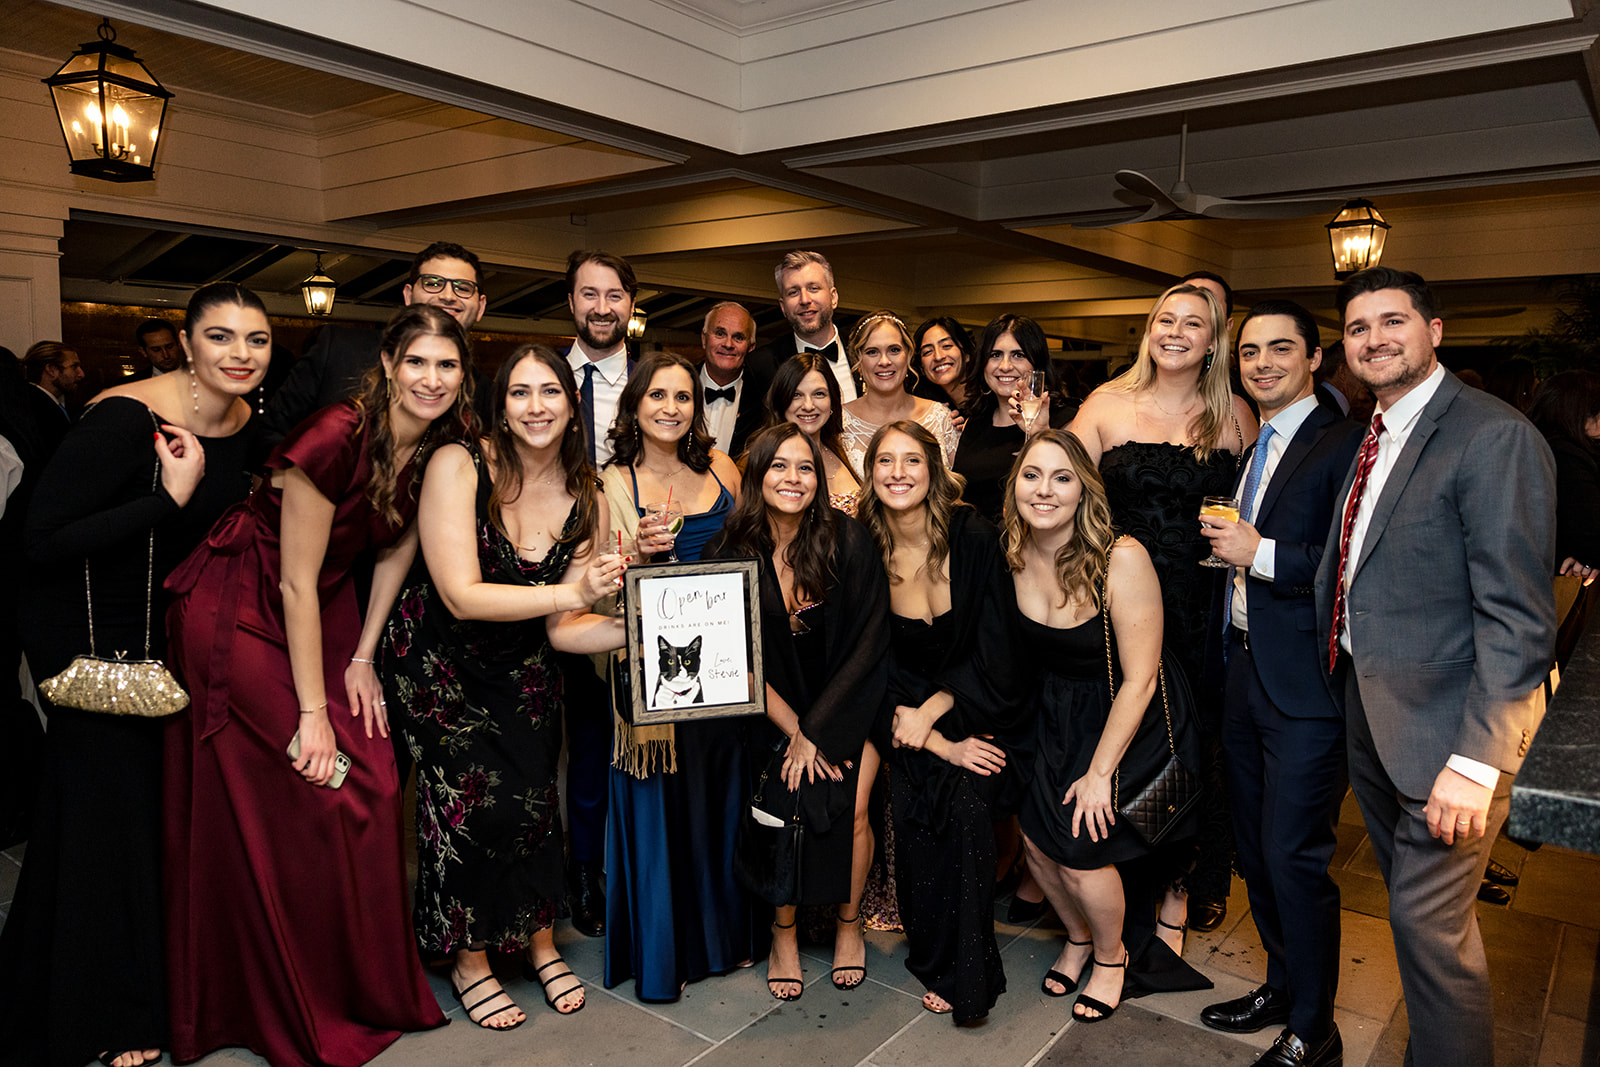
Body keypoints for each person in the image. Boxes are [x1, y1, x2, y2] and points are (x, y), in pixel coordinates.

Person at [162, 303, 476, 1067]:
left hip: (329, 603)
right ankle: (280, 992)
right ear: (390, 364)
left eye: (448, 365)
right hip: (241, 604)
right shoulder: (338, 431)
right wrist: (313, 711)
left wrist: (364, 654)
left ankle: (357, 981)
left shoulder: (441, 442)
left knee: (372, 774)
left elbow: (397, 547)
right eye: (418, 362)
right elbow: (294, 581)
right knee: (319, 777)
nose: (432, 379)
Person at [0, 284, 267, 1067]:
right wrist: (165, 499)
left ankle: (152, 994)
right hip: (103, 654)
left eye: (254, 340)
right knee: (101, 832)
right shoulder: (123, 418)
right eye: (220, 337)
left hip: (178, 649)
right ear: (186, 344)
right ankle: (103, 1016)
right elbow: (41, 541)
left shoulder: (249, 426)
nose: (239, 354)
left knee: (157, 829)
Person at [1314, 267, 1556, 1067]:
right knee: (1424, 928)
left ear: (1435, 331)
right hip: (1375, 713)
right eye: (1358, 328)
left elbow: (1517, 618)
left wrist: (1478, 761)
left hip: (1449, 737)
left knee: (1431, 933)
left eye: (1393, 321)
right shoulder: (1374, 429)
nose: (1375, 339)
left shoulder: (1492, 436)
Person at [380, 344, 627, 1029]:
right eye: (520, 393)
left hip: (524, 660)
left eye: (550, 391)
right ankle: (470, 956)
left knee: (533, 801)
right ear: (500, 404)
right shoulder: (460, 462)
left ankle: (539, 937)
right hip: (438, 659)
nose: (536, 406)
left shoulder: (589, 492)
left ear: (571, 405)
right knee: (468, 808)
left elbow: (563, 629)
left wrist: (637, 633)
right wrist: (573, 588)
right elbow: (459, 594)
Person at [1195, 301, 1364, 1067]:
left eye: (1280, 349)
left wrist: (1257, 550)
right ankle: (1280, 985)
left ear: (1316, 357)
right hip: (1243, 671)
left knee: (1295, 853)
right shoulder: (1252, 443)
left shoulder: (1342, 445)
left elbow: (1345, 565)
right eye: (1250, 351)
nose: (1261, 362)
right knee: (1257, 852)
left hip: (1305, 687)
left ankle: (1316, 1025)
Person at [1069, 283, 1256, 940]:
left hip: (1201, 605)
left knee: (1194, 741)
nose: (1175, 331)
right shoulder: (1107, 404)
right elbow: (1058, 487)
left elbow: (1253, 509)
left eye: (1193, 323)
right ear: (1149, 330)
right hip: (1119, 598)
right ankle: (1120, 872)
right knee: (1126, 728)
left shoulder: (1235, 413)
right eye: (1164, 320)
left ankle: (1182, 883)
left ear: (1214, 340)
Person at [705, 423, 889, 1002]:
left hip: (851, 702)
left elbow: (868, 643)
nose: (793, 478)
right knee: (782, 806)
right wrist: (795, 735)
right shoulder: (728, 552)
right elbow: (735, 660)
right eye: (779, 467)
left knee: (854, 805)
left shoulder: (849, 540)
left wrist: (819, 731)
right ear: (756, 475)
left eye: (805, 468)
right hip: (768, 712)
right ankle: (782, 935)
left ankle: (848, 925)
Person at [1007, 429, 1183, 1024]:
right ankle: (1078, 937)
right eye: (1032, 475)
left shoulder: (1120, 557)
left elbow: (1141, 679)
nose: (1045, 490)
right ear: (1014, 486)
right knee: (1033, 840)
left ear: (1084, 488)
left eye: (1062, 477)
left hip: (1123, 713)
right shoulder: (1011, 550)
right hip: (1051, 712)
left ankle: (1111, 958)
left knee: (1081, 848)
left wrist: (1100, 772)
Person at [593, 350, 751, 1000]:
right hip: (651, 673)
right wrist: (638, 558)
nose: (670, 407)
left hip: (722, 667)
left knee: (719, 805)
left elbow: (754, 549)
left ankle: (727, 939)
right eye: (657, 395)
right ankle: (672, 949)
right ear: (635, 405)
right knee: (667, 809)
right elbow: (598, 586)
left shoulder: (721, 467)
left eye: (683, 396)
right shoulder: (611, 483)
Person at [858, 420, 1027, 1022]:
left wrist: (941, 718)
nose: (898, 472)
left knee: (967, 800)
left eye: (911, 460)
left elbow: (998, 649)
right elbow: (863, 661)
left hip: (980, 701)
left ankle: (968, 967)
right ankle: (931, 952)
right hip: (900, 712)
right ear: (869, 472)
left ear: (934, 470)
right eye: (885, 461)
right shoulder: (863, 547)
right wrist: (925, 734)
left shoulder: (972, 534)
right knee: (913, 801)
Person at [562, 247, 641, 937]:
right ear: (572, 303)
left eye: (614, 294)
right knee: (563, 743)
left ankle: (619, 871)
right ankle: (579, 869)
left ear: (630, 304)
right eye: (590, 294)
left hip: (624, 581)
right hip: (544, 578)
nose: (602, 307)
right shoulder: (539, 381)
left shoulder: (654, 385)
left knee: (610, 736)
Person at [262, 240, 491, 449]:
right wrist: (303, 484)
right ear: (408, 296)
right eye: (433, 283)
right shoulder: (339, 349)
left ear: (480, 307)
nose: (448, 295)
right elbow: (269, 433)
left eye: (463, 287)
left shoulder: (487, 393)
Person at [952, 314, 1076, 524]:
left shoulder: (1064, 422)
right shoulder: (974, 422)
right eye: (995, 355)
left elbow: (1068, 492)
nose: (1005, 366)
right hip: (975, 545)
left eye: (1018, 355)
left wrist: (1040, 432)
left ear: (1037, 363)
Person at [839, 310, 961, 478]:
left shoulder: (941, 418)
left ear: (908, 355)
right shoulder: (838, 423)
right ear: (858, 359)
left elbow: (956, 490)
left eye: (894, 350)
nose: (884, 361)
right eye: (872, 352)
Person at [744, 250, 859, 409]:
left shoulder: (864, 350)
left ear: (833, 298)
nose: (805, 300)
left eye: (813, 288)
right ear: (783, 307)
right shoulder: (761, 365)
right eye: (793, 292)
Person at [1527, 369, 1600, 581]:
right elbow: (1590, 533)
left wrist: (1587, 560)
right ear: (1579, 414)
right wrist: (1589, 558)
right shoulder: (1565, 456)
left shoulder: (1539, 447)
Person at [766, 351, 861, 509]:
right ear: (782, 401)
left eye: (819, 394)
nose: (808, 406)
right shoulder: (764, 459)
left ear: (832, 401)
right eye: (797, 395)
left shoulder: (842, 449)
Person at [696, 301, 763, 457]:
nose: (728, 344)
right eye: (720, 334)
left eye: (738, 337)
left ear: (750, 348)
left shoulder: (762, 401)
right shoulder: (678, 385)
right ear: (704, 339)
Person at [911, 317, 974, 419]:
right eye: (927, 352)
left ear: (966, 354)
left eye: (946, 346)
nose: (938, 357)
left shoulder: (993, 398)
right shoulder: (930, 411)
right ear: (921, 367)